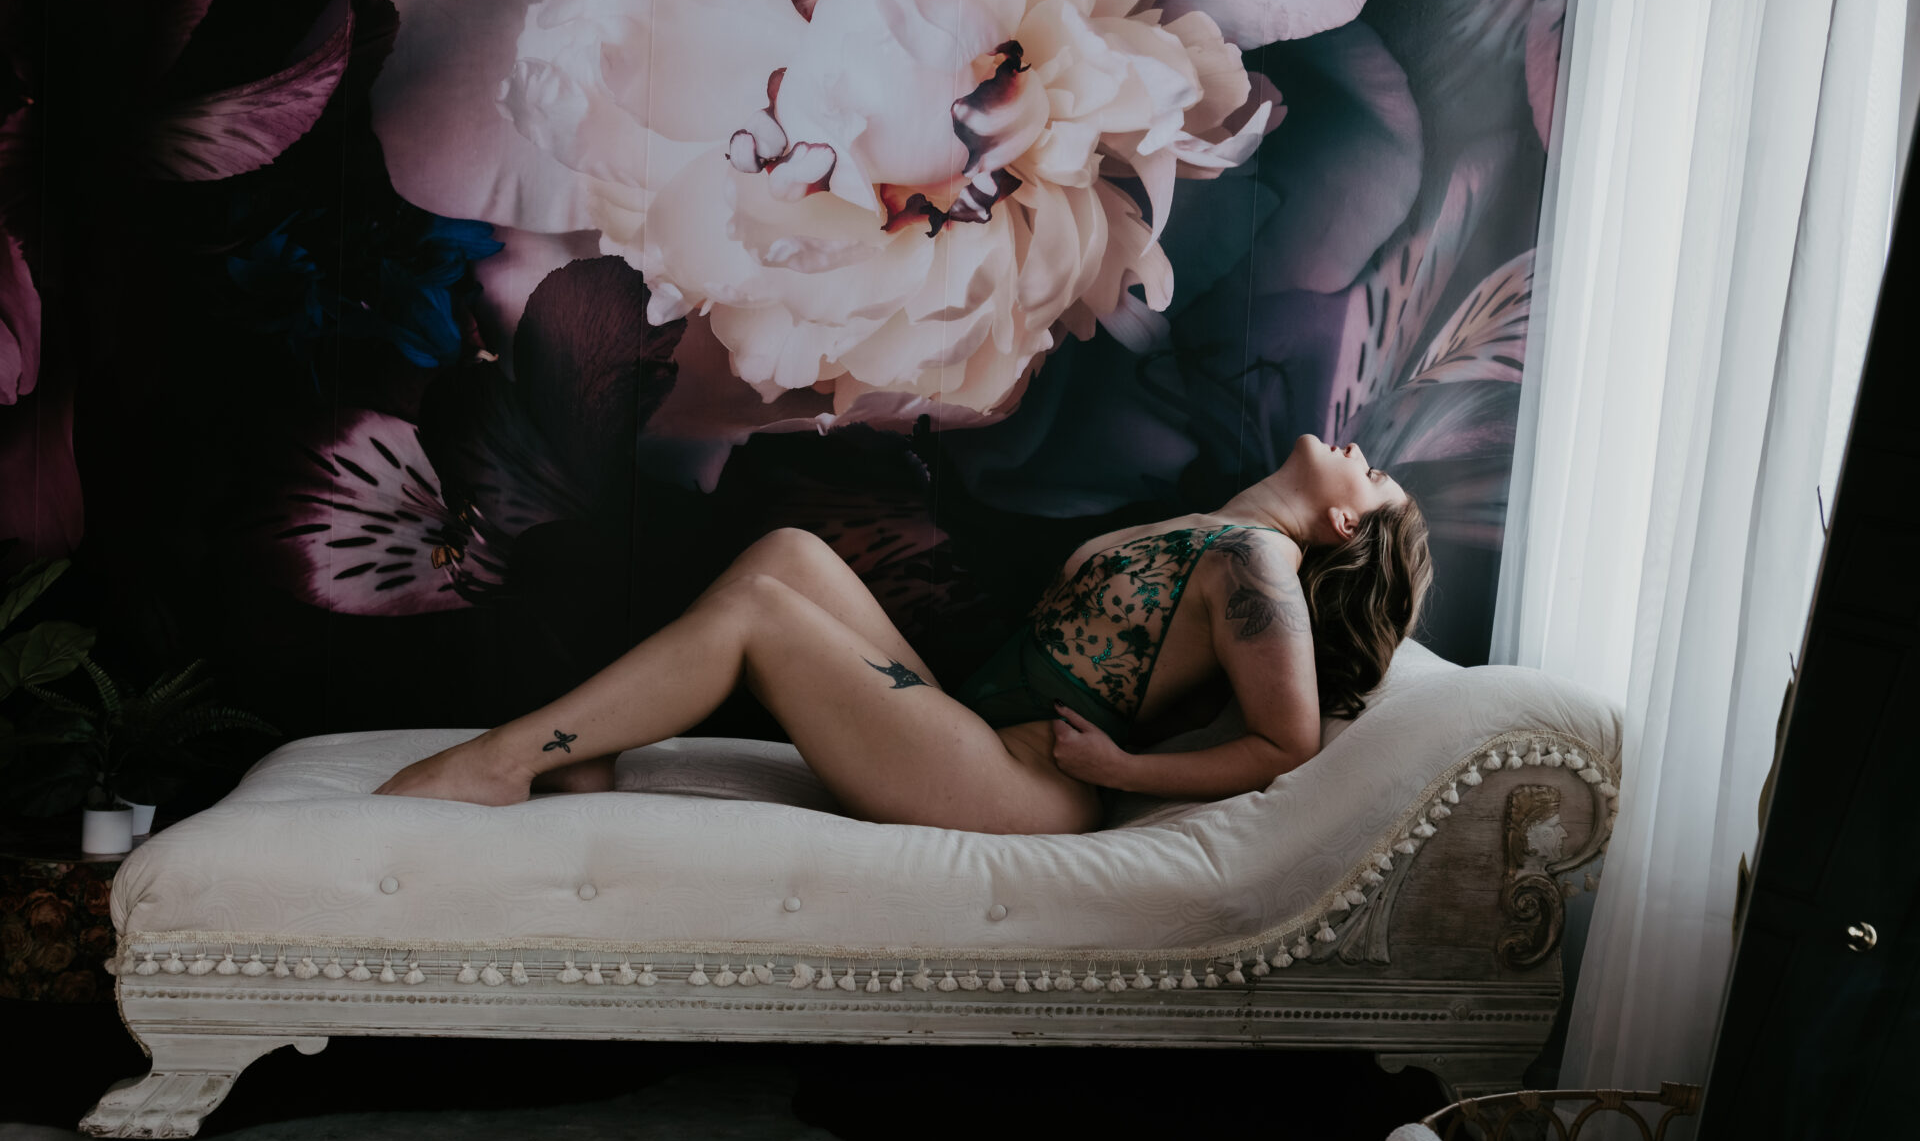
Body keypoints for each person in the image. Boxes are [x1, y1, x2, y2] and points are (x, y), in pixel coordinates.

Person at [374, 432, 1432, 833]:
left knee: (758, 613)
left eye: (1374, 476)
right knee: (790, 553)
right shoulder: (1221, 536)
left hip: (1019, 781)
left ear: (1346, 526)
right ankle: (587, 749)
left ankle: (503, 760)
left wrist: (1123, 772)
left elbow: (1287, 739)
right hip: (969, 727)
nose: (1360, 452)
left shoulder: (1260, 567)